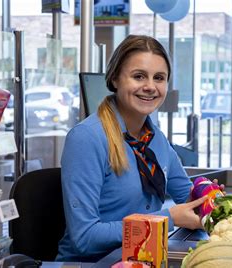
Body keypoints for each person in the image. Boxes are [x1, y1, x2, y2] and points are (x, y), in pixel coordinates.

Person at [56, 35, 221, 262]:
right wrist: (168, 219)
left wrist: (209, 196)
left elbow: (187, 195)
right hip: (93, 263)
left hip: (142, 258)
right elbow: (84, 237)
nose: (150, 87)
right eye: (138, 76)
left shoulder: (156, 139)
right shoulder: (87, 138)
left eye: (159, 78)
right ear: (115, 79)